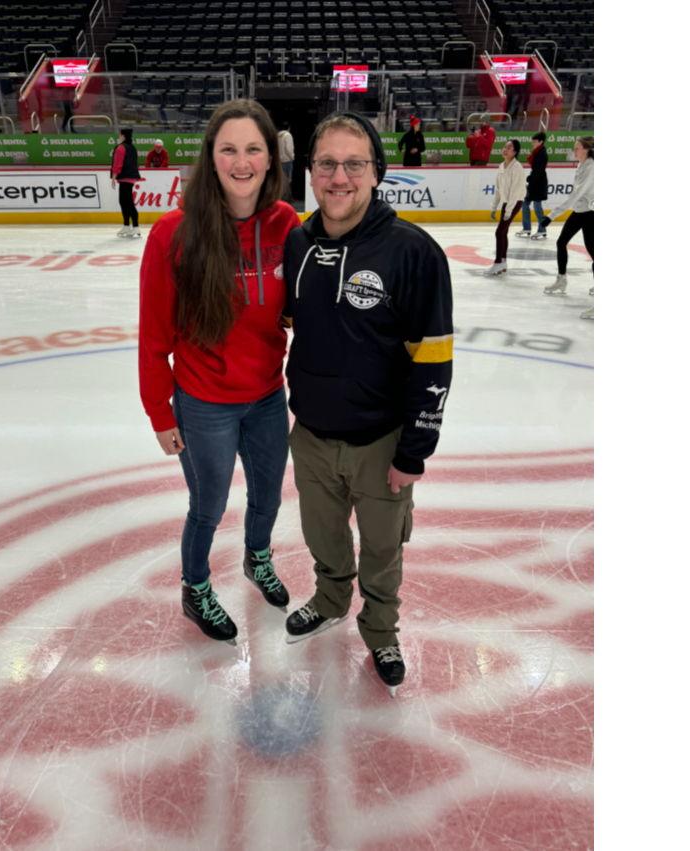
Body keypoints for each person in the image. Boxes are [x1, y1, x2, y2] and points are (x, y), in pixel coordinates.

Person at [281, 112, 454, 696]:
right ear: (310, 171)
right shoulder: (298, 241)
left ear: (377, 172)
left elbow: (434, 360)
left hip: (383, 441)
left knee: (382, 550)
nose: (339, 177)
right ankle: (330, 598)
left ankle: (380, 628)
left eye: (355, 163)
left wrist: (415, 451)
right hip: (310, 436)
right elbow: (289, 324)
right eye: (327, 163)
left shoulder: (414, 253)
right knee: (323, 537)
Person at [138, 99, 301, 644]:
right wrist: (160, 412)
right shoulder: (173, 235)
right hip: (203, 400)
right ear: (210, 157)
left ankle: (258, 558)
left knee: (269, 496)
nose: (242, 160)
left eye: (253, 148)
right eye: (228, 148)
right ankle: (196, 587)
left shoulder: (285, 224)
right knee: (207, 506)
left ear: (270, 159)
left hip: (266, 397)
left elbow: (299, 309)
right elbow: (154, 337)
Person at [541, 136, 594, 318]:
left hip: (591, 213)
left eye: (577, 148)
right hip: (581, 211)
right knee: (561, 242)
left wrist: (551, 216)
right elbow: (576, 197)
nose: (575, 150)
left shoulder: (592, 167)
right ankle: (561, 280)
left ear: (586, 149)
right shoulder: (581, 165)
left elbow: (577, 195)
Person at [486, 139, 527, 276]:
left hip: (515, 202)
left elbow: (515, 192)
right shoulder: (501, 166)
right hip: (506, 202)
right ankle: (503, 262)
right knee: (502, 232)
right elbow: (498, 189)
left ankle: (498, 262)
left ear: (515, 152)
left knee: (499, 232)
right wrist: (494, 207)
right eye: (505, 147)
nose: (505, 149)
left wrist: (508, 211)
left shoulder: (517, 168)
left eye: (509, 148)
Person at [516, 131, 548, 239]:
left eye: (534, 141)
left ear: (540, 141)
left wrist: (530, 179)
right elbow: (535, 169)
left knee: (537, 207)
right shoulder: (537, 152)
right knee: (525, 205)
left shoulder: (542, 153)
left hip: (538, 183)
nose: (532, 143)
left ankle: (542, 229)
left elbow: (538, 171)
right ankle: (527, 228)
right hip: (534, 182)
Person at [110, 128, 142, 238]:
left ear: (123, 136)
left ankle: (135, 226)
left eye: (119, 135)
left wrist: (114, 176)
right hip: (130, 177)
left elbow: (117, 163)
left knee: (127, 202)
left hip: (125, 177)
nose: (118, 137)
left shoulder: (121, 148)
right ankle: (127, 226)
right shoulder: (132, 147)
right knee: (124, 202)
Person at [277, 122, 295, 201]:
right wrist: (292, 157)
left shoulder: (277, 136)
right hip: (287, 160)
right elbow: (288, 148)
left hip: (279, 161)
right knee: (288, 180)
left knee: (281, 180)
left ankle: (282, 197)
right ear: (289, 128)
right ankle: (287, 198)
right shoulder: (287, 135)